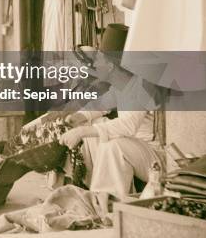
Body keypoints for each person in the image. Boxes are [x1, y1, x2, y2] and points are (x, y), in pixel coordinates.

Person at [57, 24, 164, 201]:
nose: (94, 65)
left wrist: (81, 131)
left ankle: (107, 199)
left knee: (113, 144)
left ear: (110, 66)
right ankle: (99, 194)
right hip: (135, 149)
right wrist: (76, 118)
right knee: (96, 128)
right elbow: (100, 105)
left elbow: (128, 125)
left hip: (154, 159)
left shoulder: (141, 86)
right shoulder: (121, 86)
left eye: (98, 60)